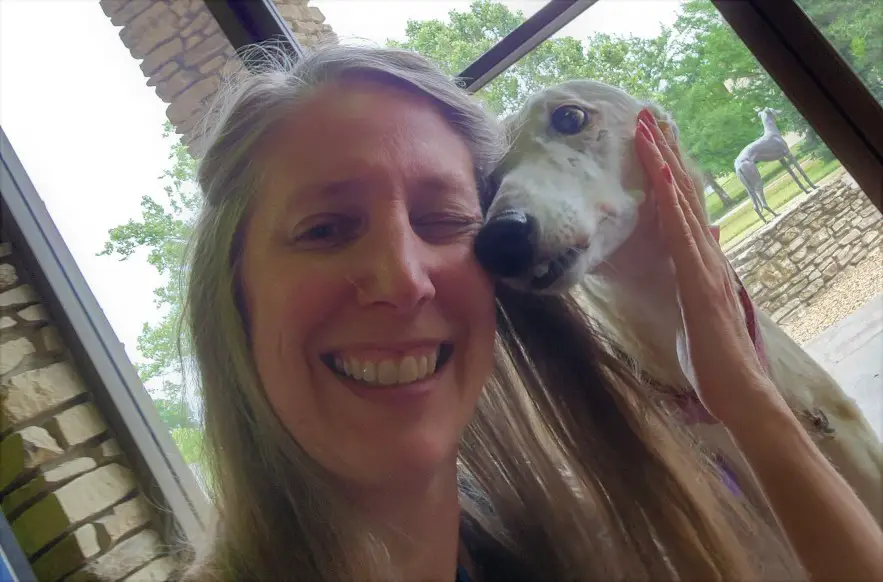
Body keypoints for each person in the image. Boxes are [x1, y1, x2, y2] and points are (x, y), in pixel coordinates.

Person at [178, 43, 883, 581]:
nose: (402, 279)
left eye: (444, 218)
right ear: (231, 292)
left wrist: (748, 406)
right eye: (324, 228)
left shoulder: (585, 548)